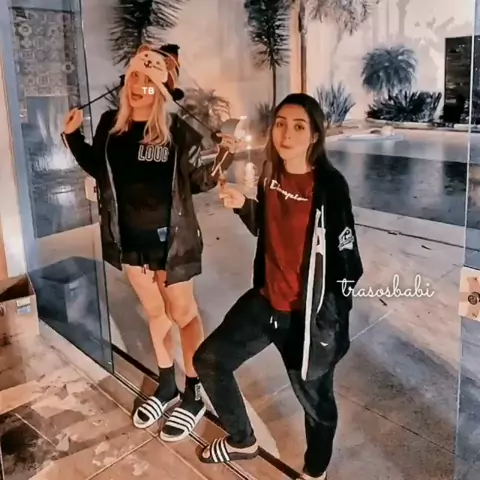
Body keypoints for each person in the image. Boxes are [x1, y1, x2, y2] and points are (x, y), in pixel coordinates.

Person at [62, 43, 238, 442]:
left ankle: (193, 394)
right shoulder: (111, 126)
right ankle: (167, 385)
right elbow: (98, 167)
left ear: (160, 87)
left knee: (184, 315)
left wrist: (225, 156)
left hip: (172, 245)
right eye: (134, 76)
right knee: (156, 314)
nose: (138, 84)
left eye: (148, 78)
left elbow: (199, 181)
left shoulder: (176, 131)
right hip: (131, 244)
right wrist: (72, 138)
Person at [193, 93, 363, 479]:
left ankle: (315, 471)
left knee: (317, 406)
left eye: (299, 126)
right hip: (266, 302)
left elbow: (348, 264)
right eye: (281, 124)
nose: (286, 134)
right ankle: (242, 440)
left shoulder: (329, 188)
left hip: (305, 319)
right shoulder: (271, 172)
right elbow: (267, 229)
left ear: (315, 136)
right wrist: (243, 204)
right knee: (209, 360)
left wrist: (329, 322)